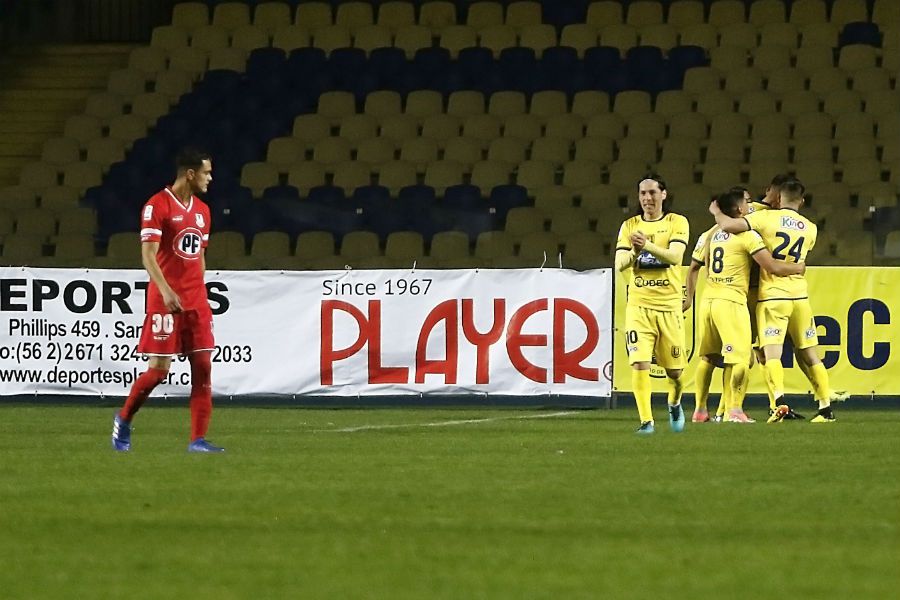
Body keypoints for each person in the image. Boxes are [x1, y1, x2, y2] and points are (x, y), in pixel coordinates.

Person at [111, 148, 224, 452]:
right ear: (190, 174)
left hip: (195, 301)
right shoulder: (156, 205)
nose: (210, 178)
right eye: (206, 172)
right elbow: (148, 255)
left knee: (203, 368)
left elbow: (199, 255)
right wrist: (165, 290)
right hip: (165, 299)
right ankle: (123, 420)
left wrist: (200, 293)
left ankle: (197, 440)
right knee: (159, 371)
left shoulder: (203, 211)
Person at [709, 178, 843, 423]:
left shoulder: (766, 219)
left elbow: (729, 225)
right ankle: (826, 409)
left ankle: (779, 403)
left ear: (779, 199)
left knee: (771, 354)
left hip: (772, 297)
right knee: (811, 355)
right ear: (801, 201)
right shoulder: (811, 228)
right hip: (800, 297)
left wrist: (716, 210)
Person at [684, 189, 806, 423]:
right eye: (748, 202)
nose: (752, 205)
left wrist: (689, 296)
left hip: (709, 299)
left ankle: (700, 410)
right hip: (731, 301)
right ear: (739, 209)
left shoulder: (709, 234)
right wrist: (797, 268)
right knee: (742, 359)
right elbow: (772, 267)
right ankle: (735, 411)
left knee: (708, 358)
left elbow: (696, 266)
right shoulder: (748, 235)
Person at [615, 174, 689, 434]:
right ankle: (647, 421)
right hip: (638, 305)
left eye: (652, 193)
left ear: (664, 195)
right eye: (643, 193)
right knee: (639, 363)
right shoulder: (629, 226)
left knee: (676, 374)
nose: (647, 198)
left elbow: (675, 257)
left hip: (669, 307)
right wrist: (635, 251)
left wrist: (646, 245)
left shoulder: (676, 222)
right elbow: (619, 264)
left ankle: (675, 403)